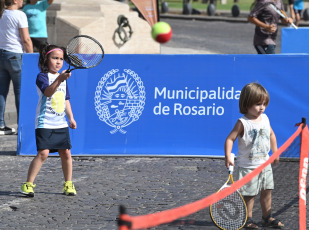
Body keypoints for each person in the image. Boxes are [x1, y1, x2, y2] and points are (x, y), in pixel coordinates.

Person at [20, 44, 77, 197]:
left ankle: (68, 184)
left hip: (61, 123)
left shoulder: (63, 79)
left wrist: (70, 117)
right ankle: (28, 184)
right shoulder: (42, 77)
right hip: (44, 122)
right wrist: (60, 78)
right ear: (46, 60)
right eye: (55, 58)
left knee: (66, 153)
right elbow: (48, 92)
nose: (58, 62)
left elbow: (65, 100)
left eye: (61, 59)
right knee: (43, 153)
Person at [225, 83, 284, 229]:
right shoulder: (242, 123)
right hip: (247, 168)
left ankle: (267, 217)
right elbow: (230, 139)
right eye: (258, 104)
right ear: (246, 103)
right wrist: (227, 155)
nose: (262, 107)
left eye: (264, 104)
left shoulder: (265, 118)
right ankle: (248, 219)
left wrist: (275, 152)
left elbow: (271, 134)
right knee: (249, 195)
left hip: (265, 165)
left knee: (267, 192)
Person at [0, 0, 33, 135]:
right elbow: (26, 39)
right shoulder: (19, 15)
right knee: (21, 91)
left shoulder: (2, 13)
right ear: (14, 0)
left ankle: (1, 125)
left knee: (1, 91)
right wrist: (31, 57)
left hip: (1, 53)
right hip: (15, 55)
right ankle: (22, 126)